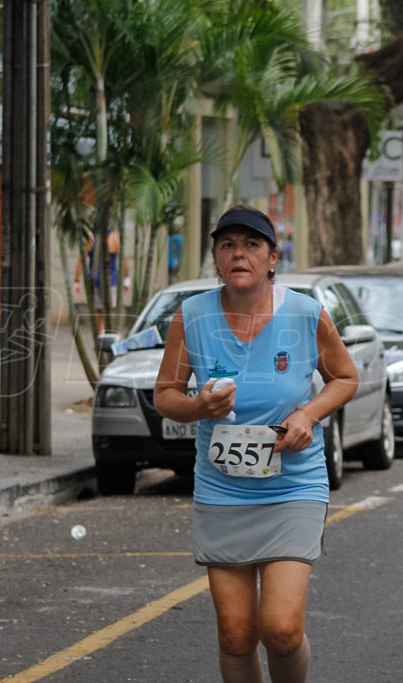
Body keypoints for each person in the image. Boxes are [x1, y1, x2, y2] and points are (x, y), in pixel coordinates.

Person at [153, 205, 359, 683]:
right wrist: (198, 408)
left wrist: (308, 414)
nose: (238, 254)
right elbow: (165, 395)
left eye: (251, 245)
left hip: (292, 486)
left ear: (272, 258)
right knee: (236, 634)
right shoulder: (192, 316)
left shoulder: (306, 314)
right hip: (223, 490)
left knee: (282, 629)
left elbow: (346, 377)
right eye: (227, 245)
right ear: (216, 259)